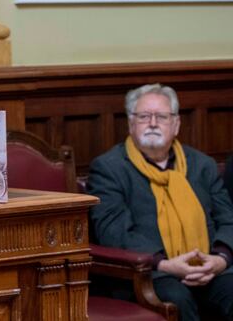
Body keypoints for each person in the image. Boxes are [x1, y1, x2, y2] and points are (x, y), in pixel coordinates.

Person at [88, 83, 233, 320]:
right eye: (144, 116)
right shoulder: (109, 169)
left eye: (162, 117)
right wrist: (165, 264)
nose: (153, 123)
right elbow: (113, 233)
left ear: (175, 124)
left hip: (210, 268)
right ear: (130, 123)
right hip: (149, 274)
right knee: (176, 299)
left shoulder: (201, 165)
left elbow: (228, 220)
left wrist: (220, 259)